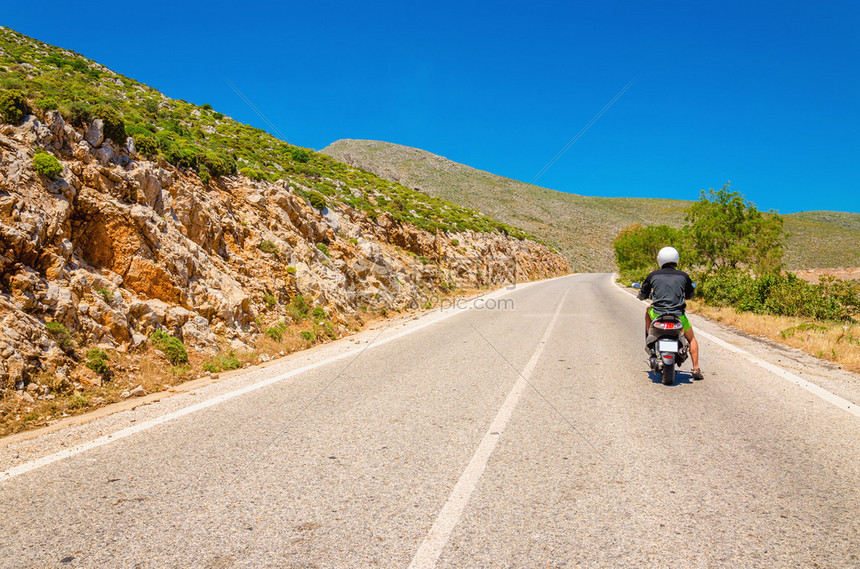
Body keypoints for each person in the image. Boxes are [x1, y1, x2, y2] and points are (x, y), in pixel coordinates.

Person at [638, 246, 704, 380]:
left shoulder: (653, 275)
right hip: (678, 316)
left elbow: (643, 293)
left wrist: (641, 295)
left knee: (647, 310)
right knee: (691, 339)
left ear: (660, 260)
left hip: (657, 314)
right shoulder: (684, 276)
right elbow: (691, 295)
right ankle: (696, 368)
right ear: (676, 259)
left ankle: (651, 334)